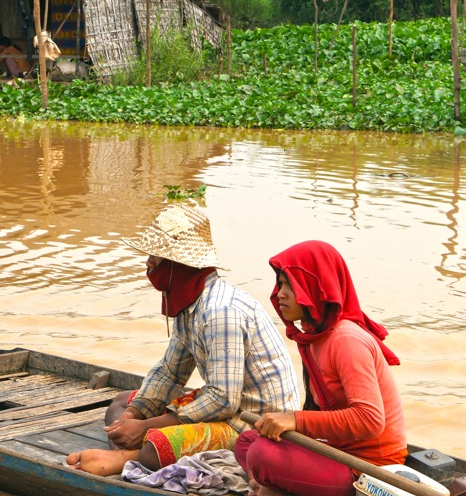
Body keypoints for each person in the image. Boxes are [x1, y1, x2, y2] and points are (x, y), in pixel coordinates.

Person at [65, 204, 301, 477]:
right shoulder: (189, 305)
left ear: (179, 265)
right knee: (121, 404)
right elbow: (169, 372)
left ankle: (126, 456)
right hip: (223, 408)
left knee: (156, 445)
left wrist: (146, 428)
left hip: (250, 424)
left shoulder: (220, 312)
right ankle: (129, 447)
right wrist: (135, 414)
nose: (149, 263)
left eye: (157, 257)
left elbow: (223, 400)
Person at [234, 240, 407, 496]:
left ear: (315, 287)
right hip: (337, 454)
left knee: (261, 454)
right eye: (279, 285)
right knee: (248, 441)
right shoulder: (314, 338)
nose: (280, 294)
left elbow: (370, 420)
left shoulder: (346, 340)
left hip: (371, 472)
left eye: (289, 285)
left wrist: (295, 420)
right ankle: (286, 490)